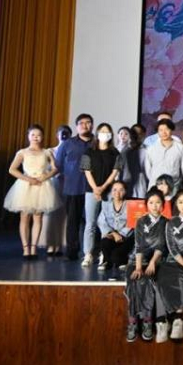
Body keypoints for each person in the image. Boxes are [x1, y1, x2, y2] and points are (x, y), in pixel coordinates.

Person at [4, 124, 61, 259]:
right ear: (28, 136)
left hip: (41, 185)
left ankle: (34, 247)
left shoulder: (47, 152)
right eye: (33, 135)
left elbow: (55, 168)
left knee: (38, 217)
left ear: (42, 137)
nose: (36, 137)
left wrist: (45, 176)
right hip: (26, 186)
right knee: (24, 217)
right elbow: (12, 169)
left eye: (38, 135)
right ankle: (26, 248)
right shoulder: (22, 152)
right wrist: (28, 179)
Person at [155, 189, 183, 343]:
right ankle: (163, 322)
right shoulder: (171, 223)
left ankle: (178, 320)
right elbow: (172, 248)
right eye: (180, 202)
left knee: (180, 279)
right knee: (160, 278)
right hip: (174, 260)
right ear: (176, 205)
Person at [125, 188, 167, 342]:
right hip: (137, 260)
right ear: (146, 205)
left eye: (158, 202)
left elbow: (161, 246)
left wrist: (152, 263)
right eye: (151, 203)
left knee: (148, 280)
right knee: (134, 280)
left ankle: (148, 321)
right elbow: (139, 246)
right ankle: (132, 322)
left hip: (157, 260)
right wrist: (138, 267)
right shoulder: (141, 221)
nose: (155, 206)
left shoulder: (166, 223)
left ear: (163, 205)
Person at [79, 122, 123, 268]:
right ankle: (88, 254)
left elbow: (115, 172)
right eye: (102, 131)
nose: (105, 134)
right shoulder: (89, 152)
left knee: (107, 223)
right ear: (97, 134)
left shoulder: (115, 153)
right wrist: (95, 188)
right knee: (90, 223)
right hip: (91, 191)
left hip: (109, 191)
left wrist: (103, 187)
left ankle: (104, 253)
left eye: (107, 131)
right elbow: (87, 171)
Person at [54, 113, 94, 261]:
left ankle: (91, 252)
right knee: (73, 221)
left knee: (92, 222)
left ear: (92, 125)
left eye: (88, 122)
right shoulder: (68, 143)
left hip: (93, 188)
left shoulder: (97, 143)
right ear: (77, 126)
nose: (85, 125)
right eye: (81, 123)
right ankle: (72, 251)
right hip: (73, 187)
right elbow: (58, 164)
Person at [40, 124, 71, 256]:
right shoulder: (50, 151)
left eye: (66, 133)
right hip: (53, 183)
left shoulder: (71, 150)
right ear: (57, 135)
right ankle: (49, 244)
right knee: (50, 213)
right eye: (61, 133)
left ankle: (59, 245)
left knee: (63, 215)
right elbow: (45, 168)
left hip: (66, 184)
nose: (63, 135)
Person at [96, 180, 133, 277]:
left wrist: (121, 235)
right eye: (115, 190)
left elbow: (132, 223)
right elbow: (101, 221)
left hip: (125, 237)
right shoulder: (106, 205)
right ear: (111, 192)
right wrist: (113, 233)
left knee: (116, 257)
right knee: (104, 242)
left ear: (125, 191)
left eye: (121, 190)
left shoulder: (130, 205)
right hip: (112, 236)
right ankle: (106, 261)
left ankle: (121, 259)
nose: (117, 193)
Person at [144, 119, 183, 191]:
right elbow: (148, 169)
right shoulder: (151, 149)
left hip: (173, 187)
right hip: (154, 186)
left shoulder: (180, 148)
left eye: (167, 129)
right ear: (157, 132)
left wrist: (177, 182)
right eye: (161, 130)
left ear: (171, 130)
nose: (164, 132)